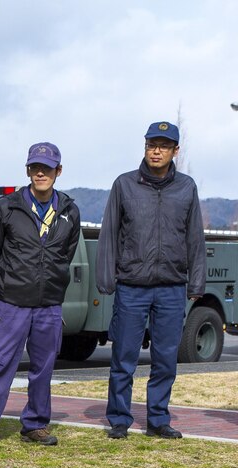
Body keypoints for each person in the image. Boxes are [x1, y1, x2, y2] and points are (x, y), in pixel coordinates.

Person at [0, 143, 82, 448]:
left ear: (59, 171)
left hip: (49, 305)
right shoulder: (7, 207)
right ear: (27, 170)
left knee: (43, 367)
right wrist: (6, 285)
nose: (40, 173)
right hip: (12, 303)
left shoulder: (70, 211)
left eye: (46, 167)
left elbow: (64, 255)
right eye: (34, 167)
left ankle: (35, 424)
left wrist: (53, 282)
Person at [97, 121, 206, 440]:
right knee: (123, 357)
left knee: (165, 359)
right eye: (151, 144)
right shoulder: (124, 185)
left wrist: (195, 283)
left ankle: (158, 419)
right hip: (132, 286)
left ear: (175, 151)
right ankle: (119, 418)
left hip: (172, 287)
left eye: (163, 145)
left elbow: (195, 238)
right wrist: (106, 278)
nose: (156, 151)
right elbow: (110, 233)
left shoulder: (187, 187)